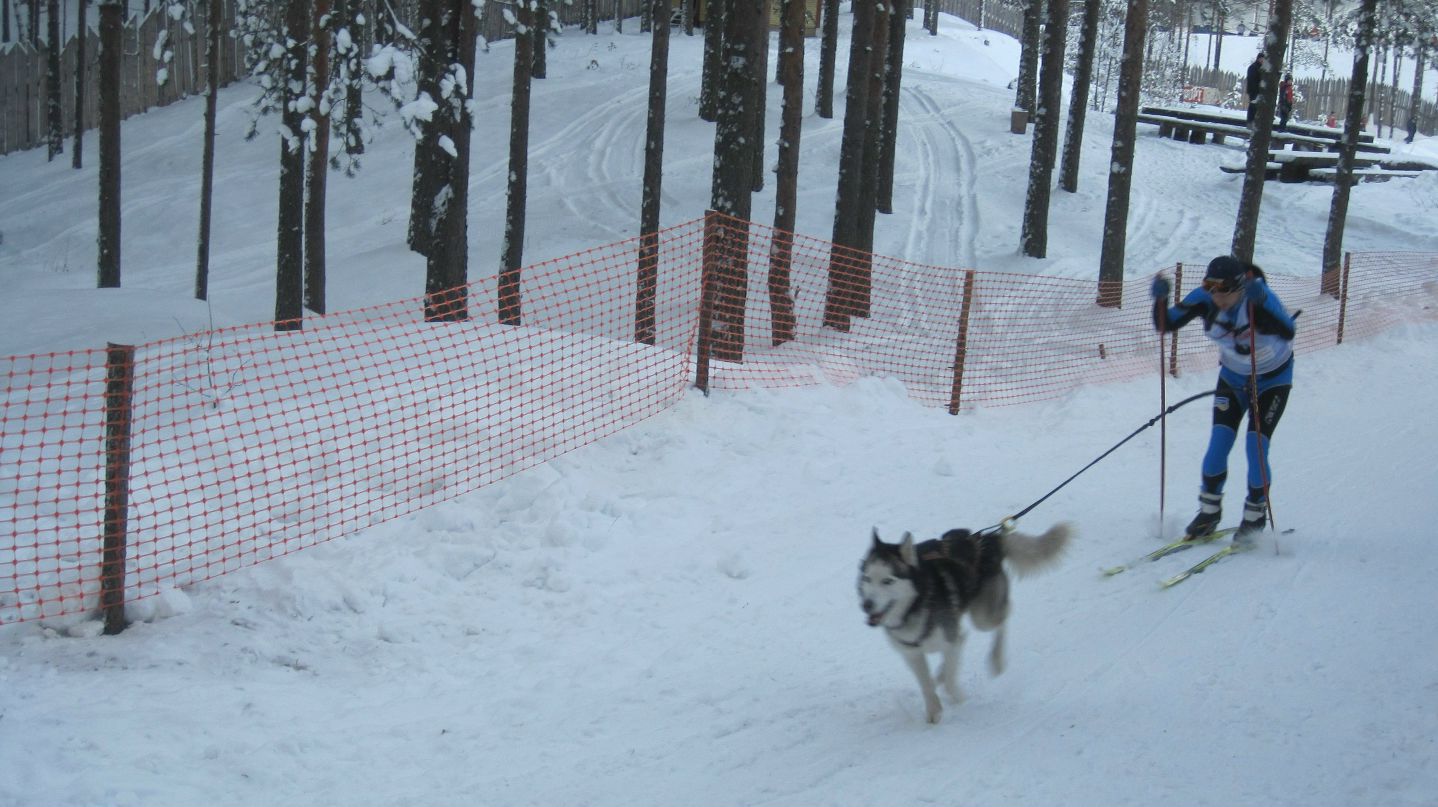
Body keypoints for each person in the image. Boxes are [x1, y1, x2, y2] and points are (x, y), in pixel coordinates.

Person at [1150, 256, 1297, 543]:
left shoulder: (1259, 296)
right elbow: (1165, 324)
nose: (1218, 298)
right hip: (1233, 379)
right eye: (1212, 290)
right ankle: (1208, 513)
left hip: (1272, 381)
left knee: (1255, 448)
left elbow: (1288, 330)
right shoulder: (1205, 299)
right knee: (1218, 445)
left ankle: (1254, 515)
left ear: (1240, 287)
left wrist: (1263, 302)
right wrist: (1159, 299)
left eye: (1224, 291)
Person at [1246, 53, 1265, 125]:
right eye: (1261, 58)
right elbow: (1252, 80)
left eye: (1263, 59)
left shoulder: (1261, 67)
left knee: (1256, 107)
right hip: (1253, 90)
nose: (1262, 60)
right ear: (1258, 58)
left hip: (1258, 90)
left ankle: (1253, 122)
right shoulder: (1253, 67)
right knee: (1253, 107)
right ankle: (1250, 122)